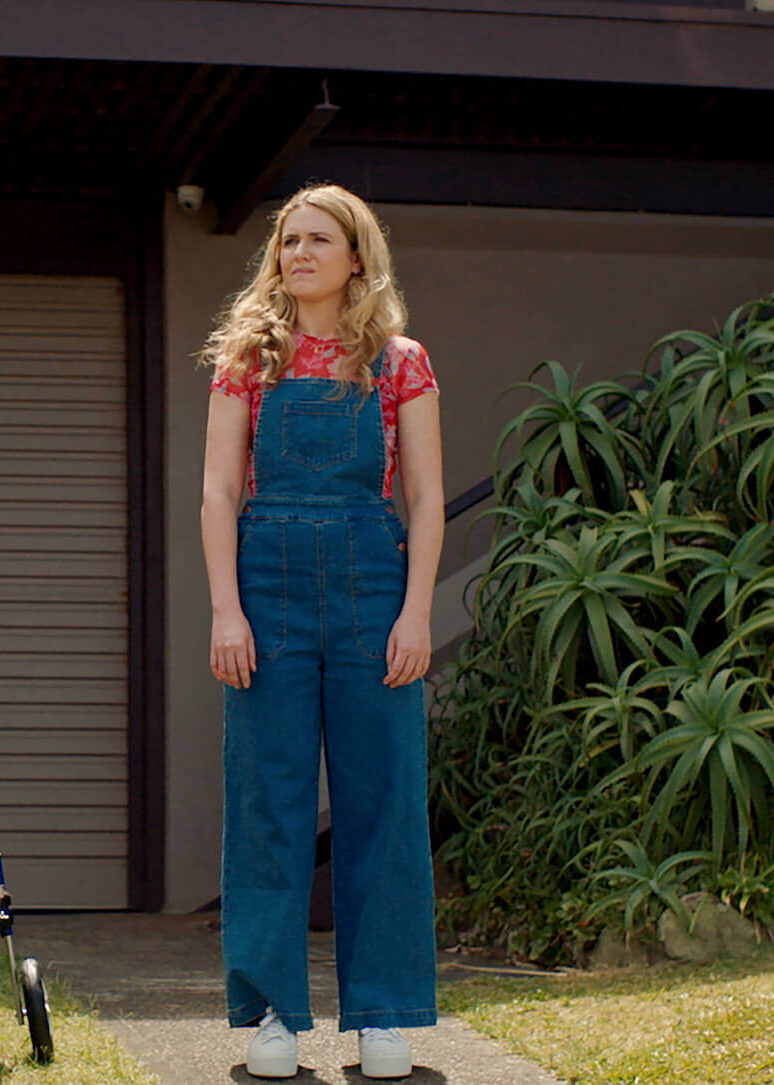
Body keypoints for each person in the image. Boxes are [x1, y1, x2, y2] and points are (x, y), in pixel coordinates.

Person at [198, 183, 443, 1080]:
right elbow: (220, 492)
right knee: (270, 800)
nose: (297, 253)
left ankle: (382, 1013)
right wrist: (227, 607)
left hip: (374, 585)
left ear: (355, 257)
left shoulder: (399, 360)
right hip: (267, 588)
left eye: (318, 240)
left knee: (382, 799)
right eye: (287, 240)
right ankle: (272, 1012)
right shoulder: (246, 359)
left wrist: (417, 609)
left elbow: (420, 496)